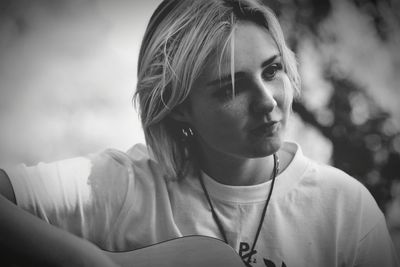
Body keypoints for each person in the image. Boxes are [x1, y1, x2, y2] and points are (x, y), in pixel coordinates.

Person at [0, 0, 398, 266]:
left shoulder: (346, 211)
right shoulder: (123, 186)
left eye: (272, 70)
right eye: (231, 87)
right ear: (178, 108)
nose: (267, 101)